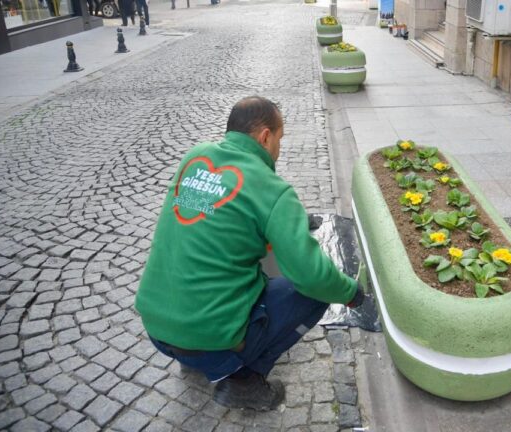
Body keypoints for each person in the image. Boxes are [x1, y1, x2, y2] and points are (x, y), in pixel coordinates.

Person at [135, 96, 365, 411]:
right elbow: (311, 276)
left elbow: (221, 218)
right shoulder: (273, 189)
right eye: (280, 139)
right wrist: (350, 292)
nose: (279, 149)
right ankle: (244, 380)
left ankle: (193, 356)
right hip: (211, 335)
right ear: (265, 137)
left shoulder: (195, 157)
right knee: (315, 291)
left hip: (157, 328)